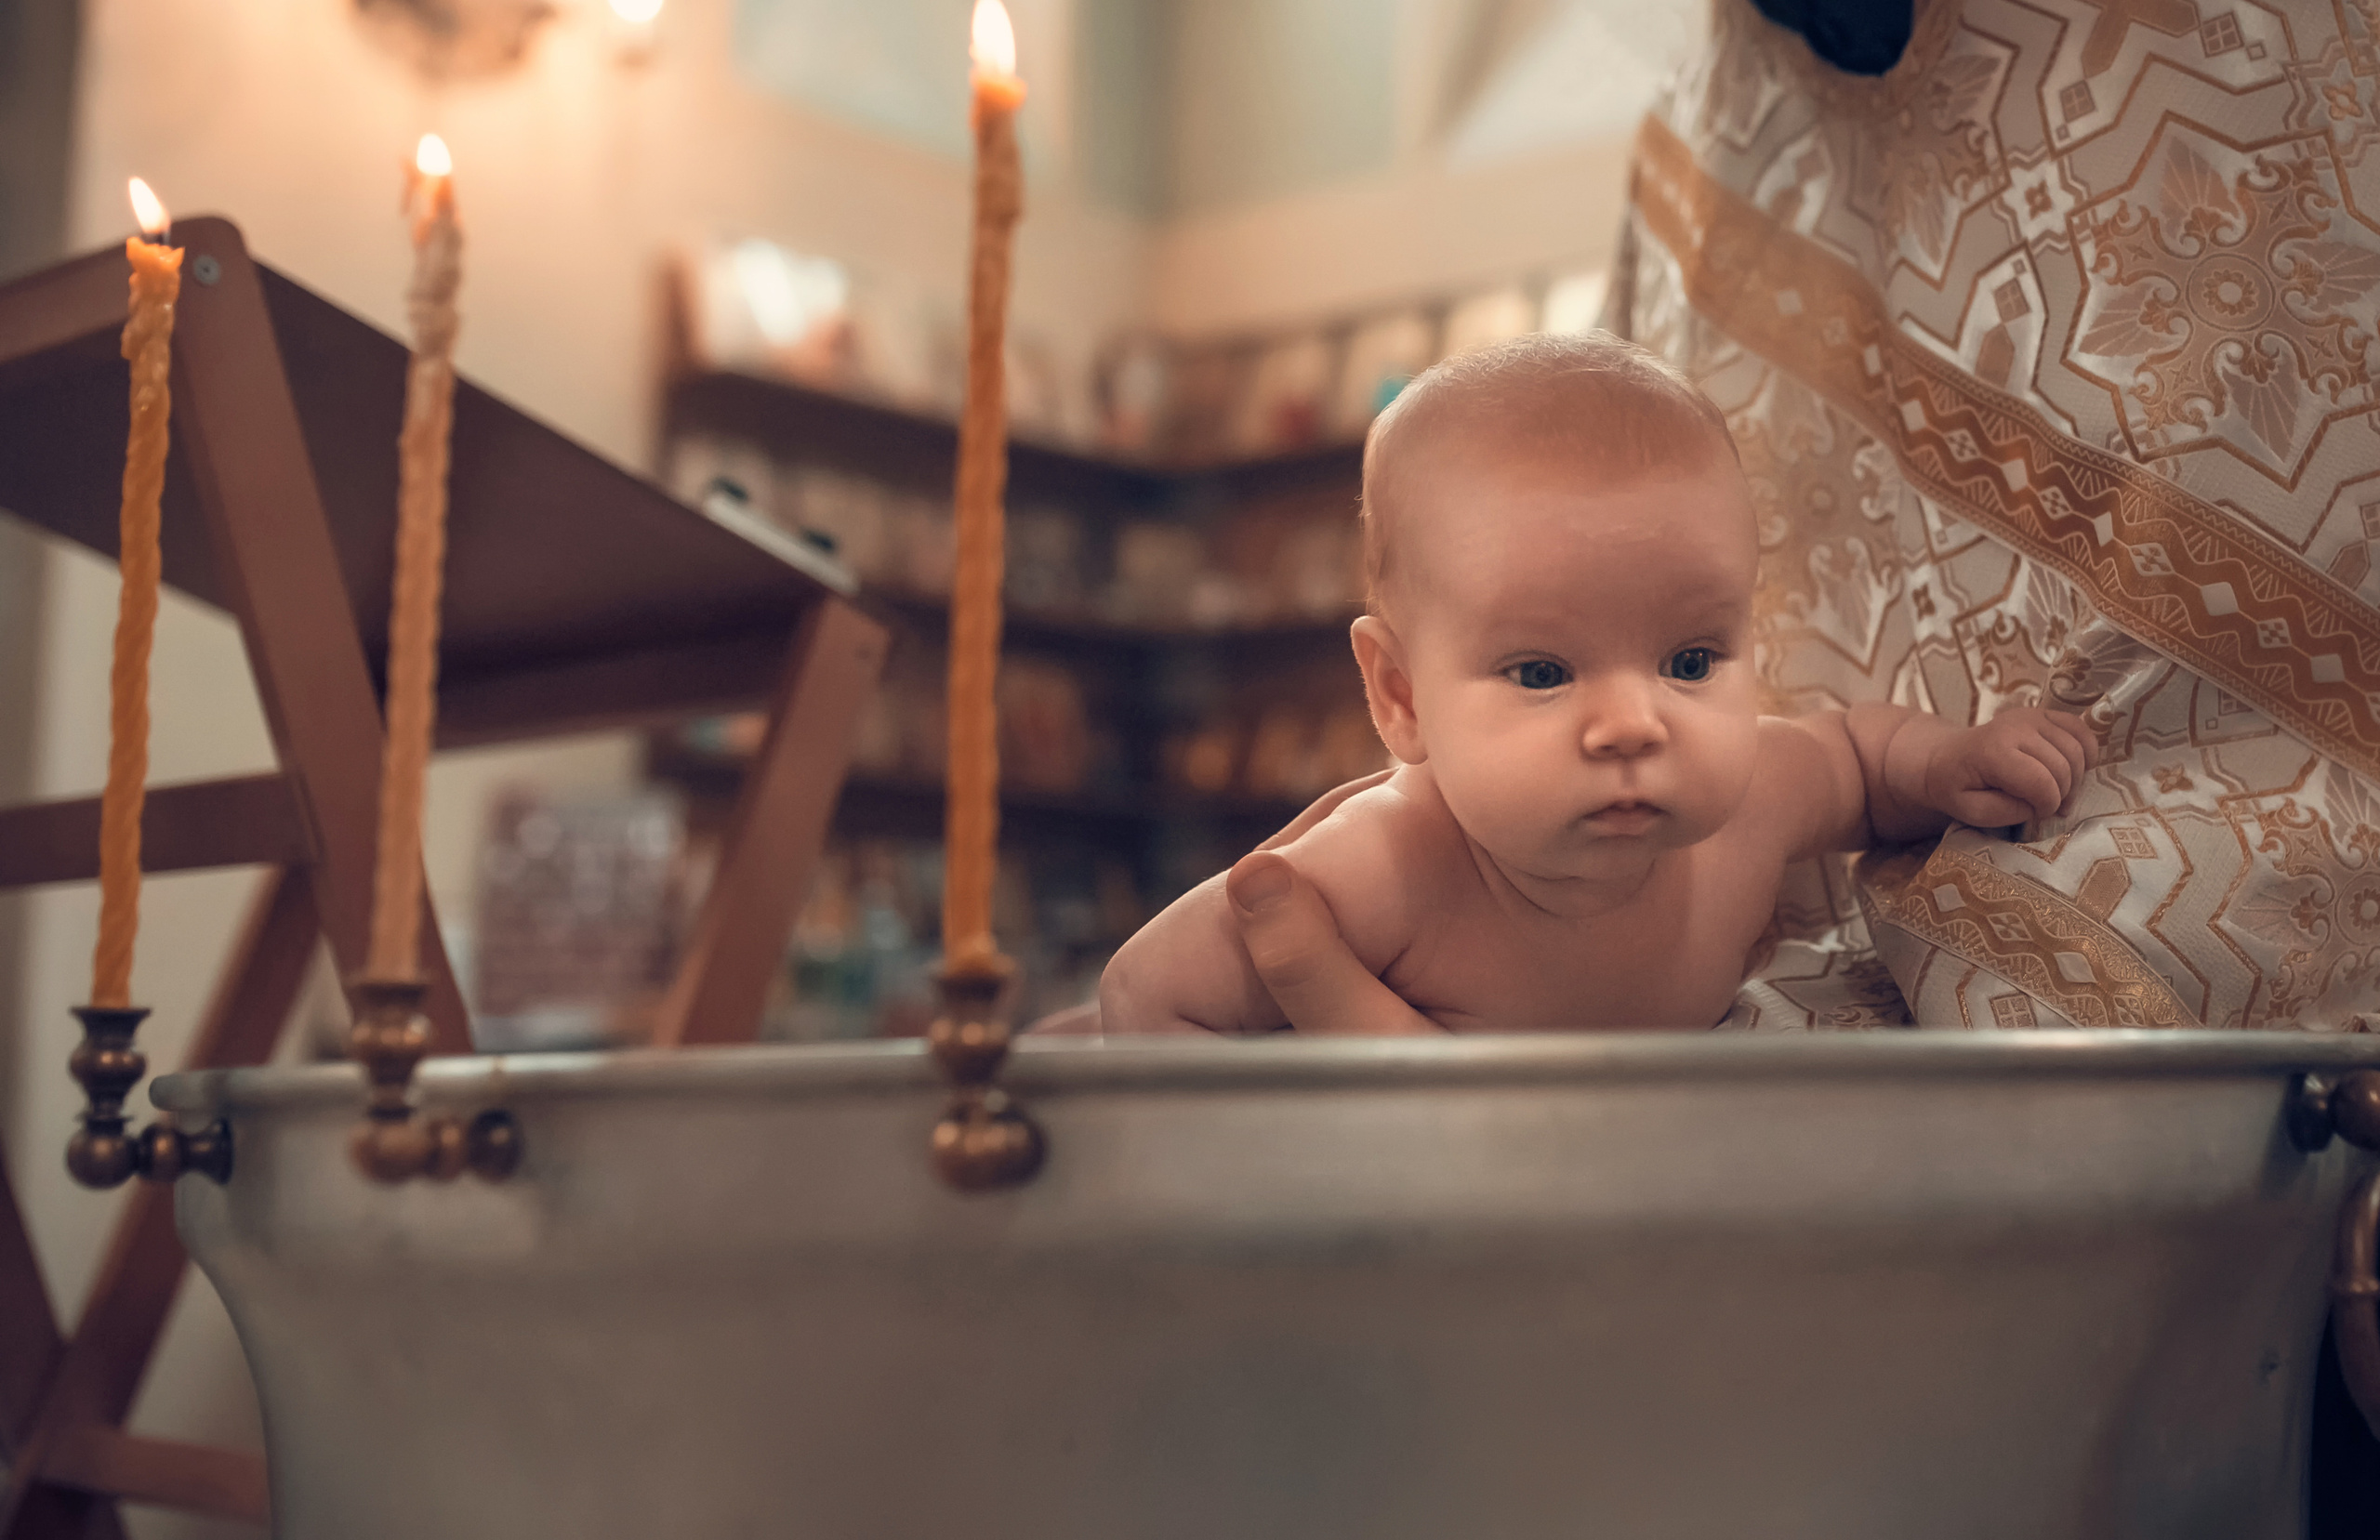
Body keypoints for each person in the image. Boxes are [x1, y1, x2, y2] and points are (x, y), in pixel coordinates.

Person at [1099, 334, 2096, 1034]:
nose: (1632, 723)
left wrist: (1950, 760)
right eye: (1541, 672)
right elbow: (1144, 996)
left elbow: (1853, 759)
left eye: (1690, 662)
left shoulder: (1749, 807)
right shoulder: (1386, 866)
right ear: (1400, 696)